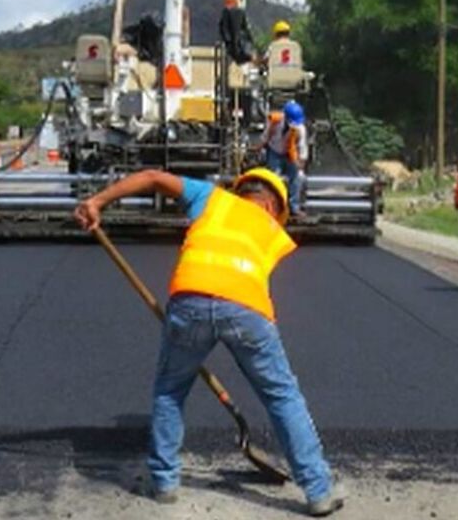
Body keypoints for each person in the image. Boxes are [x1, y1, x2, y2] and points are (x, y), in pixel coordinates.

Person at [73, 167, 342, 516]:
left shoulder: (212, 198)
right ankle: (318, 491)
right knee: (282, 395)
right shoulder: (273, 229)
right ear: (275, 207)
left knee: (170, 391)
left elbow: (154, 176)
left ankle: (165, 483)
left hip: (189, 303)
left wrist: (97, 201)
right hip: (248, 311)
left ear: (240, 189)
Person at [259, 101, 308, 218]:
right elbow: (266, 136)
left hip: (289, 153)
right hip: (274, 151)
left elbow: (302, 148)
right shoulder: (275, 122)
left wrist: (301, 165)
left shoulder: (300, 129)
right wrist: (258, 147)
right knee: (273, 179)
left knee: (297, 178)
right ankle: (272, 208)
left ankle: (294, 208)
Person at [218, 0, 256, 65]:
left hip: (232, 44)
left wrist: (227, 41)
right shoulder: (241, 12)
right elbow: (245, 28)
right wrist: (251, 40)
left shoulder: (226, 11)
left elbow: (223, 27)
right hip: (239, 43)